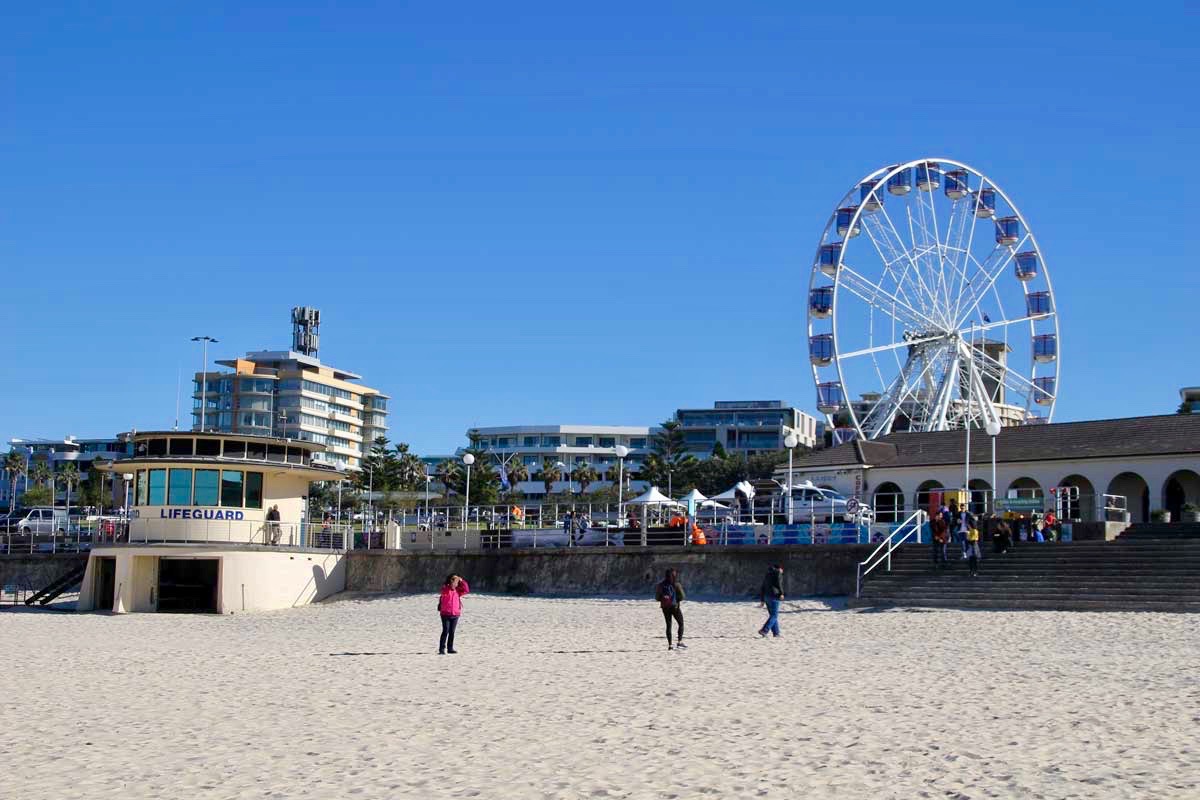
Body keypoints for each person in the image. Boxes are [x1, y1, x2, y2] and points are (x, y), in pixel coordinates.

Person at [437, 573, 470, 654]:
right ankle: (441, 649)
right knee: (445, 631)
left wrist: (461, 580)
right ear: (450, 581)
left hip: (455, 614)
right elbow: (443, 590)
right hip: (445, 614)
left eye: (456, 582)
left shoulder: (458, 591)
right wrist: (449, 583)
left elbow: (466, 590)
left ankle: (450, 648)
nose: (456, 583)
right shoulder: (446, 589)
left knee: (452, 632)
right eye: (454, 581)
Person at [655, 569, 686, 650]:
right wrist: (676, 600)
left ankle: (670, 645)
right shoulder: (676, 584)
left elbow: (657, 598)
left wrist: (664, 599)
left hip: (665, 607)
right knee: (681, 623)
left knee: (668, 625)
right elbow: (682, 596)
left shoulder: (660, 585)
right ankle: (679, 641)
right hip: (675, 607)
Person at [758, 563, 785, 638]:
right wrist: (782, 593)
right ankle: (764, 630)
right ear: (780, 568)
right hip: (774, 596)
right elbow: (779, 584)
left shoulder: (767, 575)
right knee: (774, 615)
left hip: (766, 596)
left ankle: (776, 633)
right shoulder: (778, 573)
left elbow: (763, 587)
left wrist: (762, 600)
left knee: (773, 615)